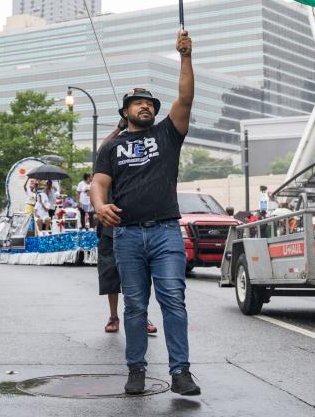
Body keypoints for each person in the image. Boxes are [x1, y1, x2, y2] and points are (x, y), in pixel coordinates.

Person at [92, 30, 200, 397]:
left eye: (150, 103)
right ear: (125, 112)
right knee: (135, 305)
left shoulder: (168, 134)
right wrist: (99, 205)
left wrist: (185, 57)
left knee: (173, 299)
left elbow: (185, 96)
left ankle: (181, 372)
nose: (145, 106)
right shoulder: (112, 147)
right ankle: (136, 370)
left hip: (166, 233)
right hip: (127, 236)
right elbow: (98, 183)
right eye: (138, 103)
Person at [96, 120, 158, 338]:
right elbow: (102, 150)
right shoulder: (110, 158)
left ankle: (141, 316)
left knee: (141, 275)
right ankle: (113, 316)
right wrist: (119, 128)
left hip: (136, 224)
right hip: (110, 226)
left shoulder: (144, 164)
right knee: (110, 273)